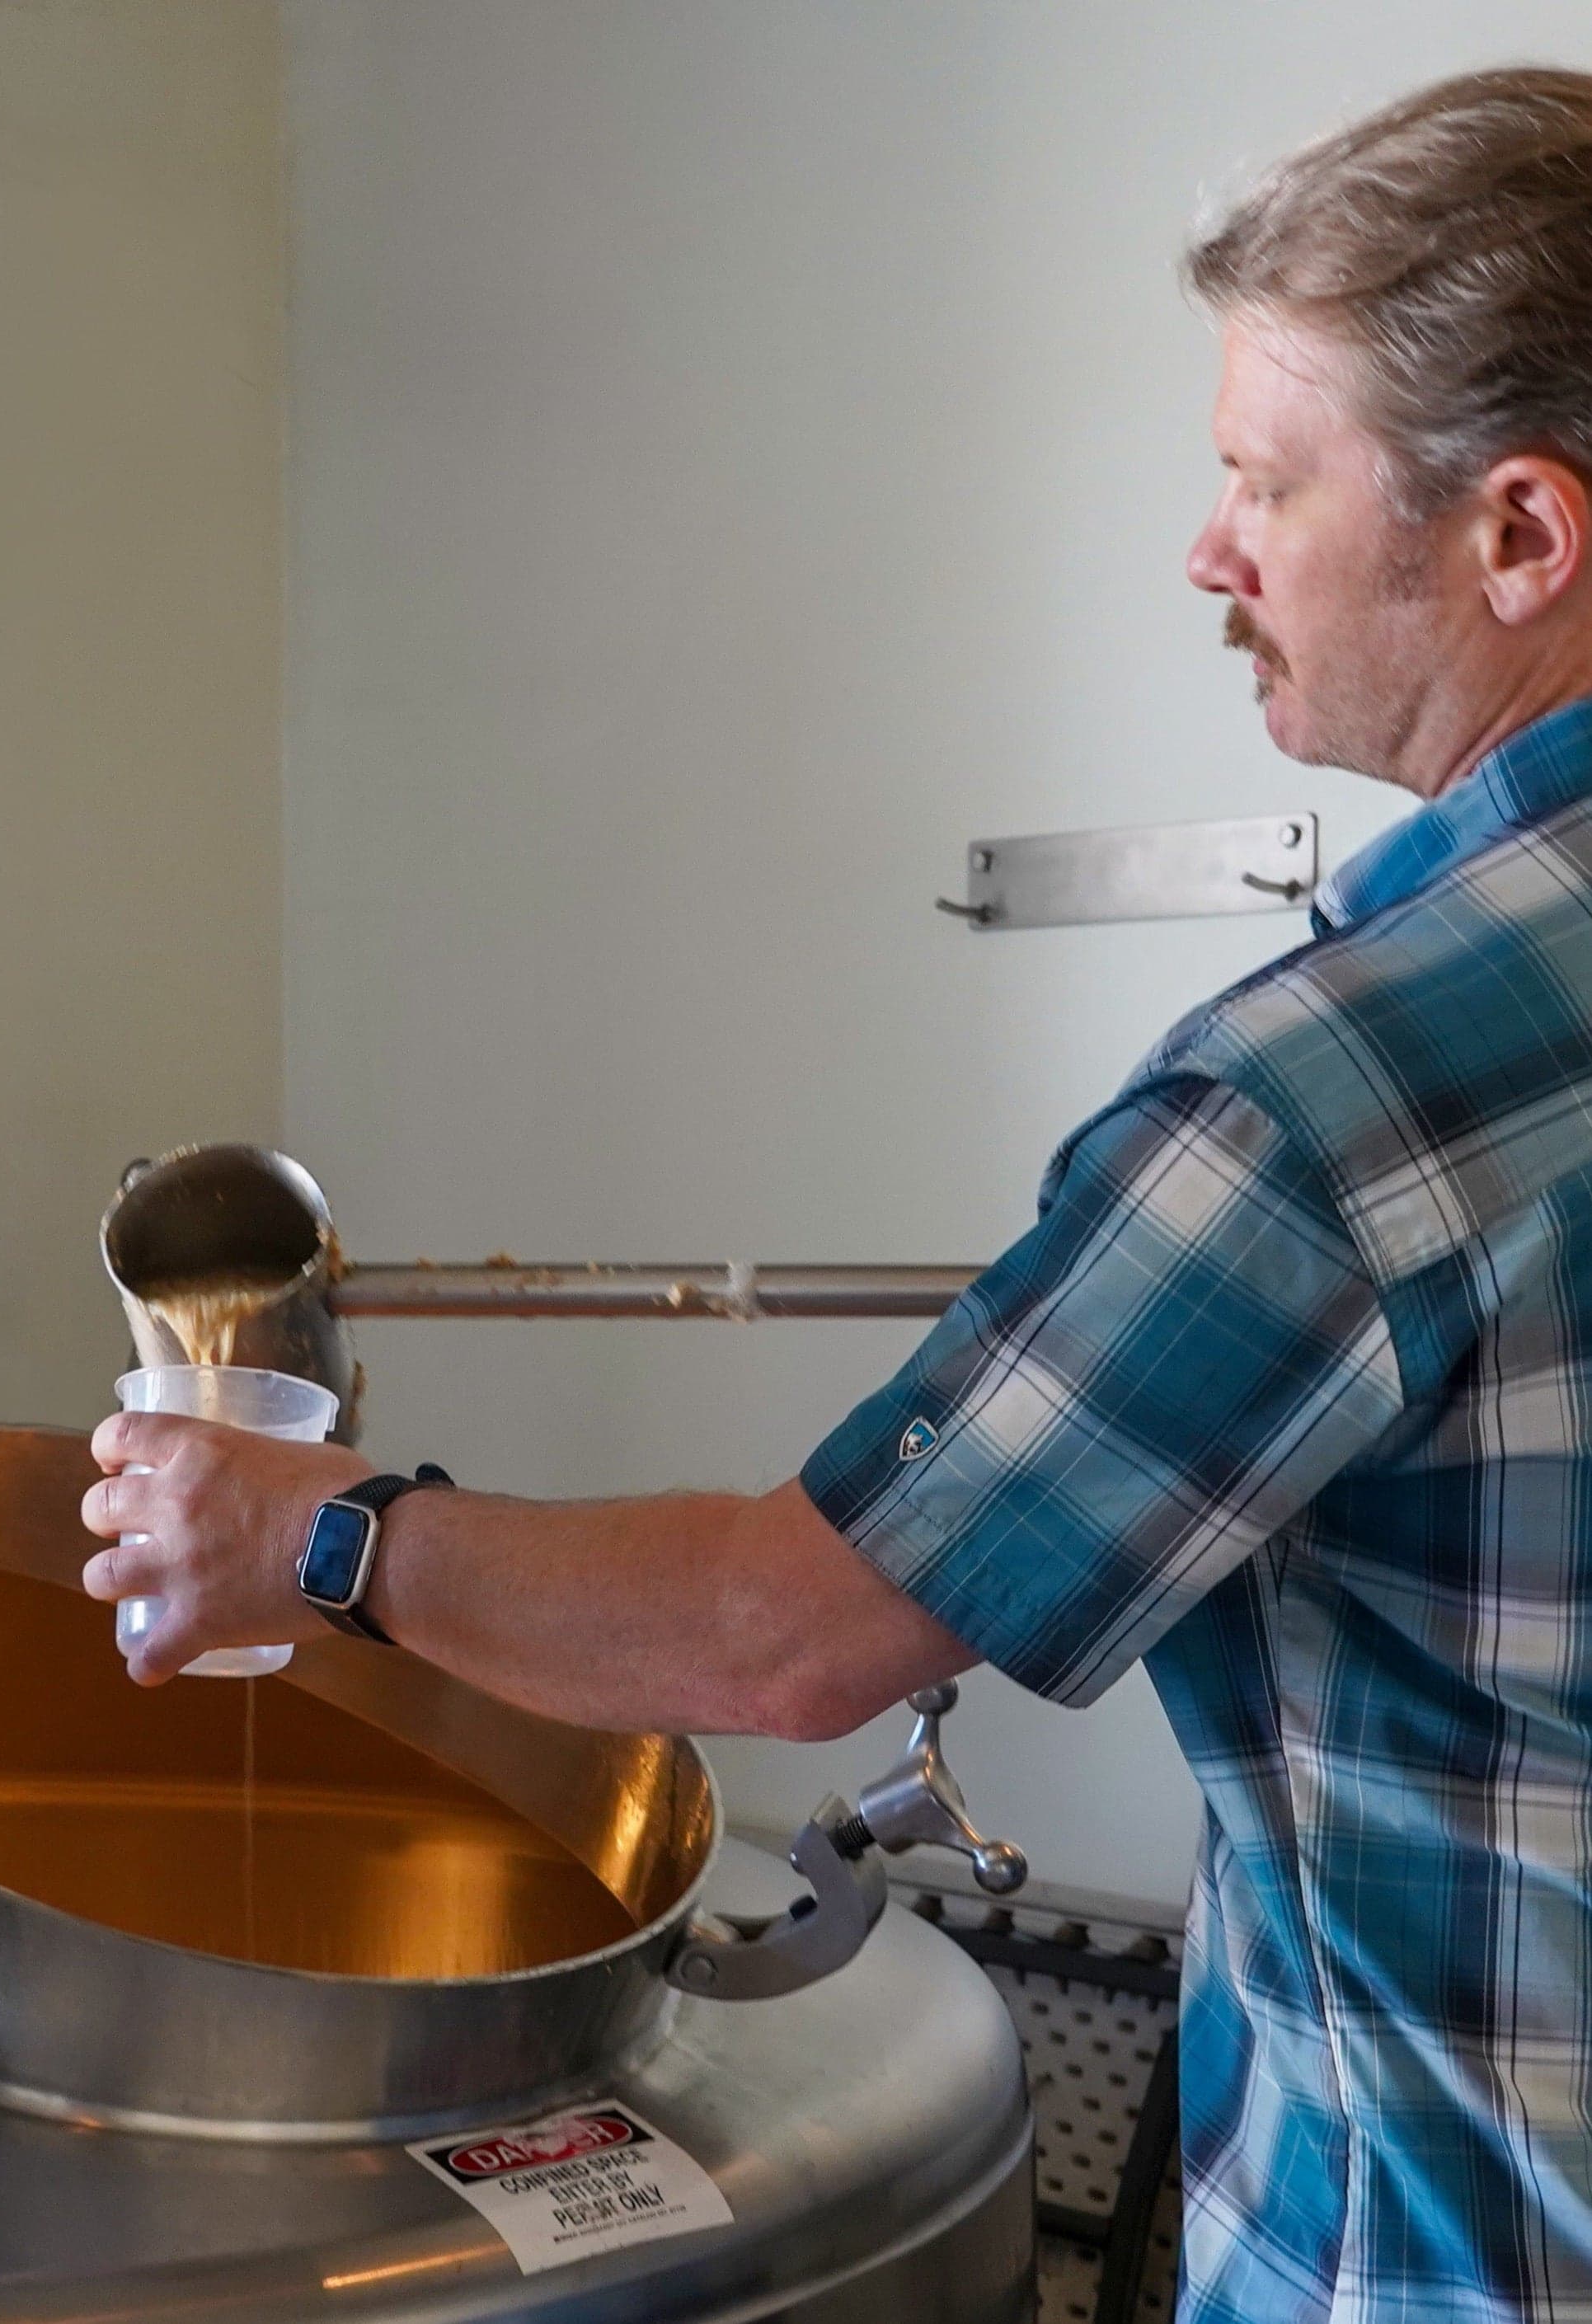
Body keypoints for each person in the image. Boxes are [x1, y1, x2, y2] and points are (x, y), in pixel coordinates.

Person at [83, 68, 1592, 2323]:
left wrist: (312, 1537)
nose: (1209, 549)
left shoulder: (1344, 1092)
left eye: (1262, 482)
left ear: (1516, 538)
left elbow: (787, 1633)